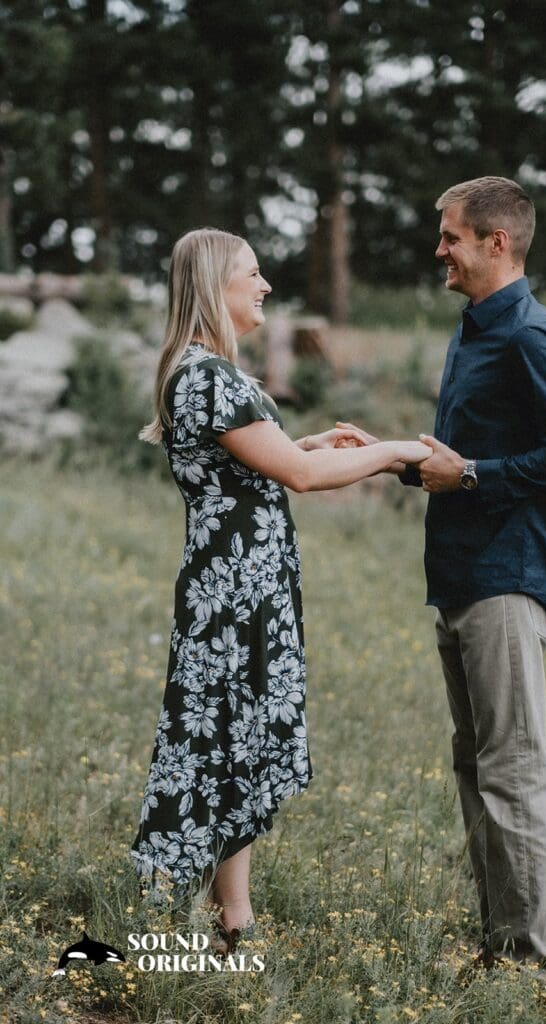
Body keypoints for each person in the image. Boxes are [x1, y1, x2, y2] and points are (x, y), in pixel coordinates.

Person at [130, 227, 430, 951]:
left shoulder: (202, 373)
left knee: (229, 736)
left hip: (236, 584)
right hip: (234, 593)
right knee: (225, 735)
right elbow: (297, 478)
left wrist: (308, 444)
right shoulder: (207, 376)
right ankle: (212, 912)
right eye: (253, 274)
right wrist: (398, 453)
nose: (265, 286)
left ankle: (231, 915)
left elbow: (270, 463)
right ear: (214, 286)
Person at [343, 176, 546, 973]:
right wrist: (391, 457)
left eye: (451, 236)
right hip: (460, 575)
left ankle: (533, 965)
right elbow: (464, 459)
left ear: (496, 242)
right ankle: (502, 946)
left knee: (513, 770)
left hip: (507, 577)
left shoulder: (528, 333)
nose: (439, 250)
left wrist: (475, 477)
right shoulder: (476, 327)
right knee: (477, 766)